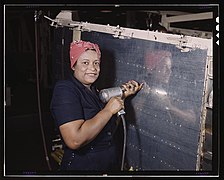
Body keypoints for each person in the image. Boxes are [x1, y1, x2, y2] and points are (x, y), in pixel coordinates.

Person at [50, 40, 143, 171]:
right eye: (85, 63)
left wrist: (123, 97)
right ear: (73, 65)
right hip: (82, 167)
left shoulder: (95, 91)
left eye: (96, 63)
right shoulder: (65, 89)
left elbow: (107, 130)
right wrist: (108, 110)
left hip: (107, 164)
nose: (92, 68)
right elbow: (74, 140)